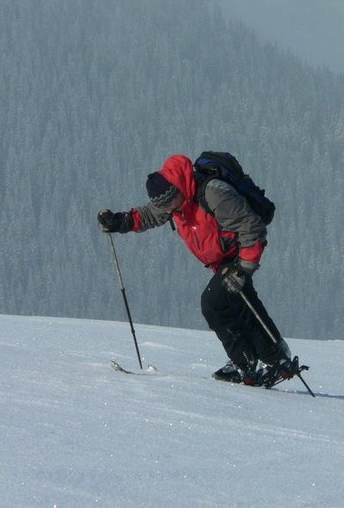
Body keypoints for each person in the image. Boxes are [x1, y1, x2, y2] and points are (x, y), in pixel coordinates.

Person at [97, 154, 299, 386]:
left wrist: (243, 269)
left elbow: (252, 228)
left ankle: (252, 363)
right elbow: (149, 215)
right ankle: (272, 359)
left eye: (168, 203)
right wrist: (119, 222)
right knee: (241, 305)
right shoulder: (174, 199)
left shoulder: (213, 193)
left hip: (237, 255)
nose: (166, 209)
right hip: (223, 260)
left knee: (214, 303)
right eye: (162, 204)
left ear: (177, 189)